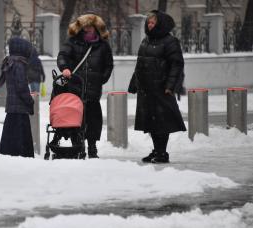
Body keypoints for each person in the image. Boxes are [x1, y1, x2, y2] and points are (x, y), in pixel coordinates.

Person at [128, 10, 186, 163]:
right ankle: (156, 150)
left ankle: (162, 152)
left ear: (161, 24)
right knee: (150, 121)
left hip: (161, 88)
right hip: (146, 89)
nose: (150, 25)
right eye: (149, 23)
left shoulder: (170, 41)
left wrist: (171, 86)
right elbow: (140, 63)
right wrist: (134, 82)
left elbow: (177, 64)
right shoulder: (146, 40)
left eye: (153, 23)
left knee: (162, 121)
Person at [57, 12, 114, 158]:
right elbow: (63, 55)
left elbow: (108, 64)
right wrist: (65, 68)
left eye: (90, 26)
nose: (87, 29)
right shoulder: (73, 42)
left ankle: (92, 147)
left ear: (96, 28)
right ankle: (78, 144)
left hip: (94, 89)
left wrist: (102, 78)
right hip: (75, 87)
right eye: (84, 27)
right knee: (76, 117)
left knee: (93, 119)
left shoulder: (103, 45)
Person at [0, 37, 35, 158]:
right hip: (20, 107)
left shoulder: (11, 62)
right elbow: (21, 86)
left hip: (12, 106)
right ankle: (21, 156)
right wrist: (29, 101)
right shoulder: (19, 65)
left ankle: (7, 154)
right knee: (21, 137)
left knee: (10, 134)